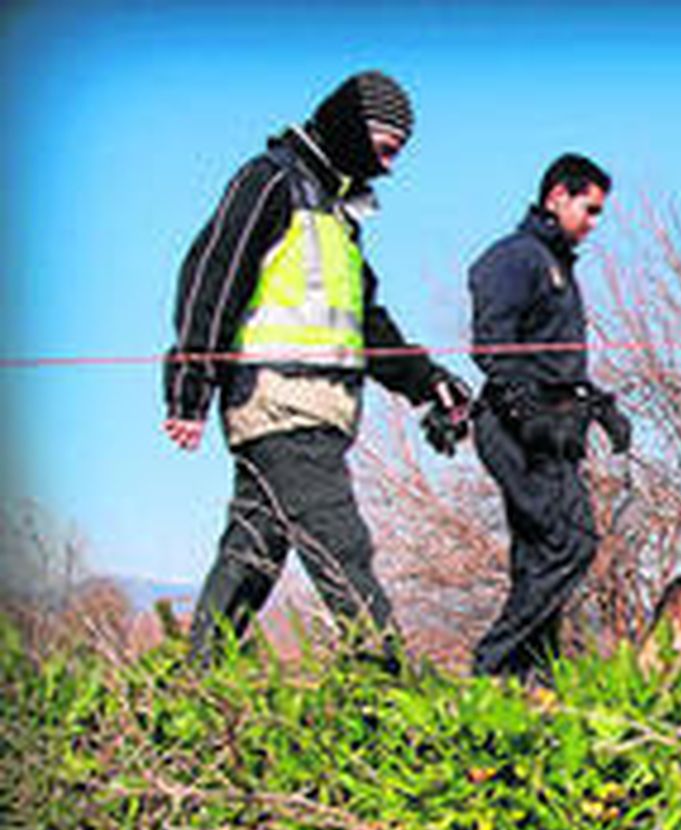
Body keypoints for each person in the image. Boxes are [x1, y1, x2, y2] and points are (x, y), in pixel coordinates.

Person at [163, 70, 472, 667]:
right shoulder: (270, 182)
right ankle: (388, 687)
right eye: (385, 150)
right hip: (280, 403)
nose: (388, 167)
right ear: (353, 130)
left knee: (251, 554)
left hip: (318, 411)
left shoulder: (338, 218)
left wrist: (427, 380)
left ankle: (196, 683)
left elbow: (365, 324)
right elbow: (211, 276)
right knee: (343, 547)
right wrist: (189, 388)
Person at [468, 153, 631, 687]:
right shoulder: (517, 257)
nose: (593, 223)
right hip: (518, 431)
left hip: (557, 430)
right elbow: (493, 345)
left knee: (540, 551)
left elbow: (553, 360)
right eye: (590, 209)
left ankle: (531, 676)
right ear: (557, 195)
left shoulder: (557, 263)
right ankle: (494, 663)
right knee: (571, 542)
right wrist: (525, 408)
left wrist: (598, 404)